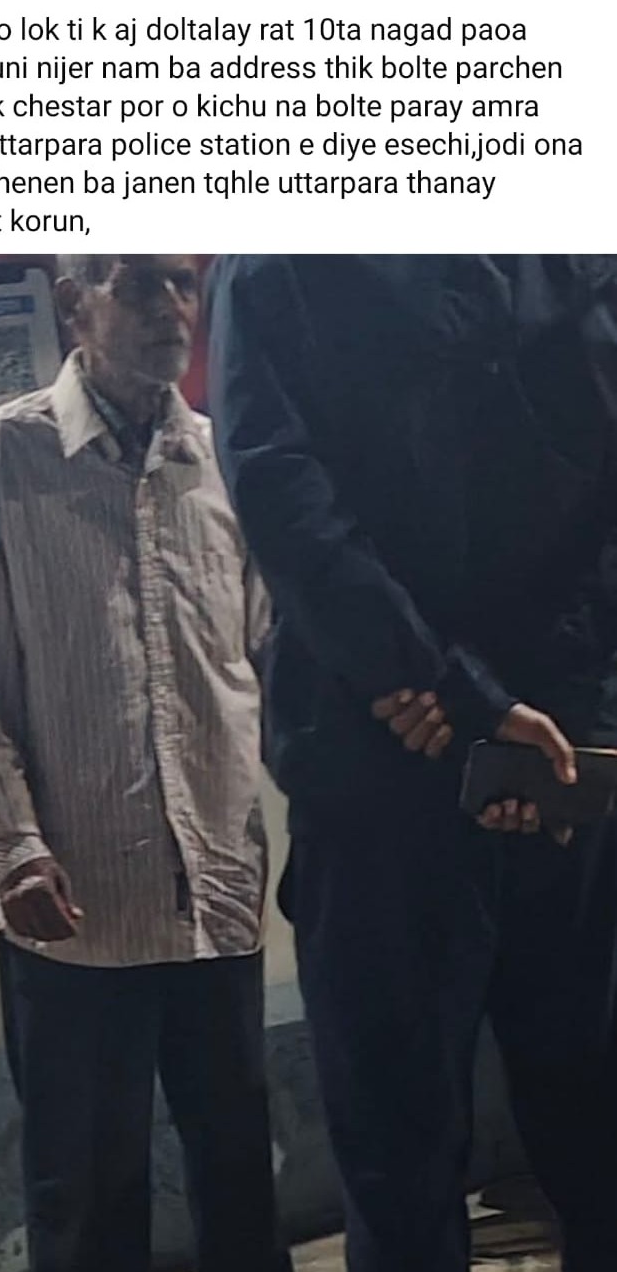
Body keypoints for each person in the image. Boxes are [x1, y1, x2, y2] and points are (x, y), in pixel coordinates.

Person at [207, 254, 617, 1272]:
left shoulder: (276, 256)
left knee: (408, 1150)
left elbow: (285, 490)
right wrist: (549, 718)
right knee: (576, 1125)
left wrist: (447, 690)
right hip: (513, 763)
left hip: (392, 744)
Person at [0, 254, 291, 1272]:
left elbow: (268, 656)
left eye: (184, 285)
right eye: (137, 285)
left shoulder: (225, 460)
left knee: (239, 1169)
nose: (170, 309)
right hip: (73, 900)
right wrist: (10, 848)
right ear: (71, 303)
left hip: (215, 883)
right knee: (85, 1189)